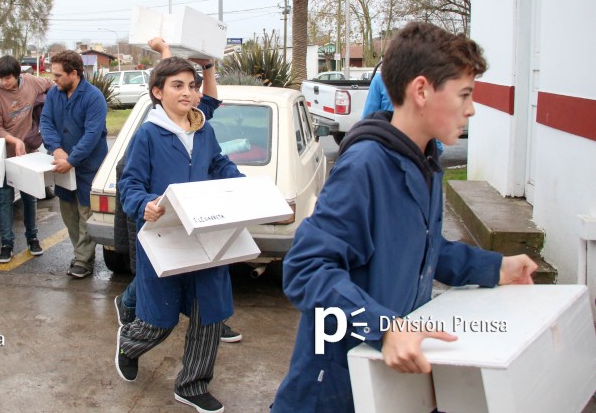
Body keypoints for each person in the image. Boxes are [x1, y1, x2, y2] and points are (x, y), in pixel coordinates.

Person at [270, 22, 538, 412]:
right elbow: (305, 268)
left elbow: (423, 247)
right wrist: (385, 327)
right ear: (422, 90)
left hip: (385, 383)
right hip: (333, 387)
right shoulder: (365, 166)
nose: (472, 108)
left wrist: (496, 267)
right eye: (464, 94)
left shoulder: (425, 160)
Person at [115, 57, 243, 413]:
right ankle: (129, 343)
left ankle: (193, 385)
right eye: (177, 85)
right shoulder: (148, 134)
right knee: (159, 320)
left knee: (209, 314)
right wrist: (143, 204)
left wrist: (241, 186)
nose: (188, 92)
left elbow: (218, 164)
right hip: (165, 237)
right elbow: (129, 183)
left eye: (193, 85)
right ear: (157, 92)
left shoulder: (204, 129)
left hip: (206, 233)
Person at [40, 50, 108, 278]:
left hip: (88, 167)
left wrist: (72, 159)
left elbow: (92, 135)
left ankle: (83, 260)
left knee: (86, 213)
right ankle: (80, 253)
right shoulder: (53, 94)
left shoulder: (94, 97)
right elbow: (46, 123)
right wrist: (56, 149)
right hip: (62, 166)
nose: (54, 79)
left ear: (74, 73)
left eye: (58, 75)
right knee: (69, 213)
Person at [0, 55, 55, 264]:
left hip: (29, 153)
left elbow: (52, 86)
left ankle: (32, 238)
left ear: (17, 75)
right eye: (1, 78)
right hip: (5, 155)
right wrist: (13, 140)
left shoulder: (31, 82)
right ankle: (7, 244)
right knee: (5, 200)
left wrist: (45, 115)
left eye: (8, 78)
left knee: (30, 197)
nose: (4, 82)